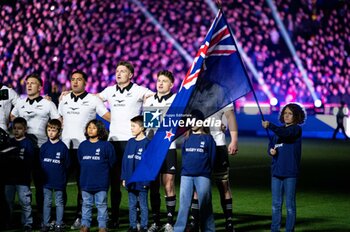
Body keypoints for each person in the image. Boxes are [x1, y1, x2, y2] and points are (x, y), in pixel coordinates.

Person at [98, 61, 153, 228]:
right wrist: (108, 116)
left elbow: (154, 98)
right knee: (114, 183)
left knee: (136, 182)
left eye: (123, 71)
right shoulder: (109, 91)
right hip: (113, 142)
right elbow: (93, 99)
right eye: (117, 71)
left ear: (131, 75)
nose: (118, 73)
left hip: (133, 142)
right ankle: (114, 217)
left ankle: (139, 219)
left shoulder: (139, 90)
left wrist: (148, 126)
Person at [58, 70, 110, 229]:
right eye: (73, 79)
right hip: (65, 148)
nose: (75, 82)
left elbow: (108, 117)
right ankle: (62, 216)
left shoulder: (93, 100)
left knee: (83, 185)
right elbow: (60, 119)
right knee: (61, 183)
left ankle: (80, 217)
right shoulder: (64, 99)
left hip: (84, 149)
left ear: (85, 82)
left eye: (79, 79)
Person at [10, 73, 61, 224]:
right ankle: (23, 217)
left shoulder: (48, 104)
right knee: (22, 183)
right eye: (28, 83)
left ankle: (42, 215)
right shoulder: (20, 103)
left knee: (41, 185)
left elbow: (57, 121)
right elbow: (12, 117)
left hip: (40, 148)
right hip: (23, 150)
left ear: (40, 87)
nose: (29, 85)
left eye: (33, 83)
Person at [262, 103, 306, 232]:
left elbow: (286, 134)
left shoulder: (296, 129)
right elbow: (270, 146)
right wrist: (271, 151)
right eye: (285, 113)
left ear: (296, 116)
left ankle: (289, 230)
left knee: (290, 206)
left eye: (290, 114)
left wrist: (270, 125)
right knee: (276, 205)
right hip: (276, 172)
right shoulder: (278, 132)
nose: (286, 116)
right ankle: (274, 229)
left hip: (290, 172)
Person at [143, 70, 177, 232]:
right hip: (153, 149)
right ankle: (155, 221)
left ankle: (170, 221)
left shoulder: (177, 99)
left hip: (169, 147)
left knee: (168, 184)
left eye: (164, 81)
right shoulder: (149, 101)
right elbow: (147, 127)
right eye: (159, 80)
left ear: (171, 84)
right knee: (153, 185)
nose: (160, 83)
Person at [174, 110, 216, 232]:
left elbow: (212, 158)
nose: (192, 123)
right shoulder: (187, 138)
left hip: (203, 176)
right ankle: (178, 229)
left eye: (195, 120)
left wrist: (206, 172)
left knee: (205, 205)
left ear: (201, 122)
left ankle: (208, 229)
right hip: (186, 175)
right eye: (190, 121)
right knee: (184, 205)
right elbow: (184, 155)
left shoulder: (208, 139)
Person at [78, 119, 116, 232]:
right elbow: (80, 160)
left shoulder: (106, 146)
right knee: (86, 205)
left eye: (93, 127)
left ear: (99, 130)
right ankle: (85, 225)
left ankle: (102, 226)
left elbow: (112, 162)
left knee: (101, 205)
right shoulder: (83, 145)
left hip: (101, 182)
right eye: (89, 127)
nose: (90, 129)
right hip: (86, 182)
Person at [3, 117, 34, 232]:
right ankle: (8, 222)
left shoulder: (28, 144)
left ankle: (27, 223)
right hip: (9, 179)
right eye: (14, 128)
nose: (16, 131)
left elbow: (29, 161)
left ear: (25, 129)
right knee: (8, 202)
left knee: (25, 203)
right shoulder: (9, 142)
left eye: (19, 128)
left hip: (22, 179)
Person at [40, 119, 70, 232]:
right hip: (46, 181)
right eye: (48, 130)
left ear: (59, 132)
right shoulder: (44, 147)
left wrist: (63, 177)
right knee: (47, 202)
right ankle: (46, 223)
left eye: (53, 130)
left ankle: (58, 223)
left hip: (58, 181)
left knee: (59, 202)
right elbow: (41, 162)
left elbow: (67, 164)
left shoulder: (62, 147)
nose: (50, 133)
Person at [121, 115, 151, 232]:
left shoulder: (147, 143)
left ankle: (144, 226)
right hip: (130, 179)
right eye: (131, 126)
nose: (131, 128)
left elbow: (149, 164)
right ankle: (133, 226)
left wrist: (146, 181)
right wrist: (124, 177)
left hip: (142, 180)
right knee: (132, 204)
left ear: (142, 128)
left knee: (143, 205)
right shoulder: (130, 142)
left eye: (134, 126)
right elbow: (125, 161)